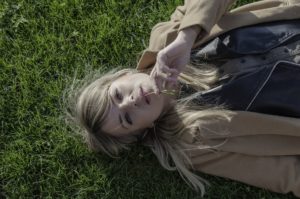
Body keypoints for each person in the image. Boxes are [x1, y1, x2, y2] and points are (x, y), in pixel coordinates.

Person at [65, 0, 300, 197]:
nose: (131, 102)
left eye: (117, 95)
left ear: (124, 75)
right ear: (144, 129)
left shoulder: (165, 39)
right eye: (127, 118)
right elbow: (283, 173)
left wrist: (186, 37)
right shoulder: (194, 145)